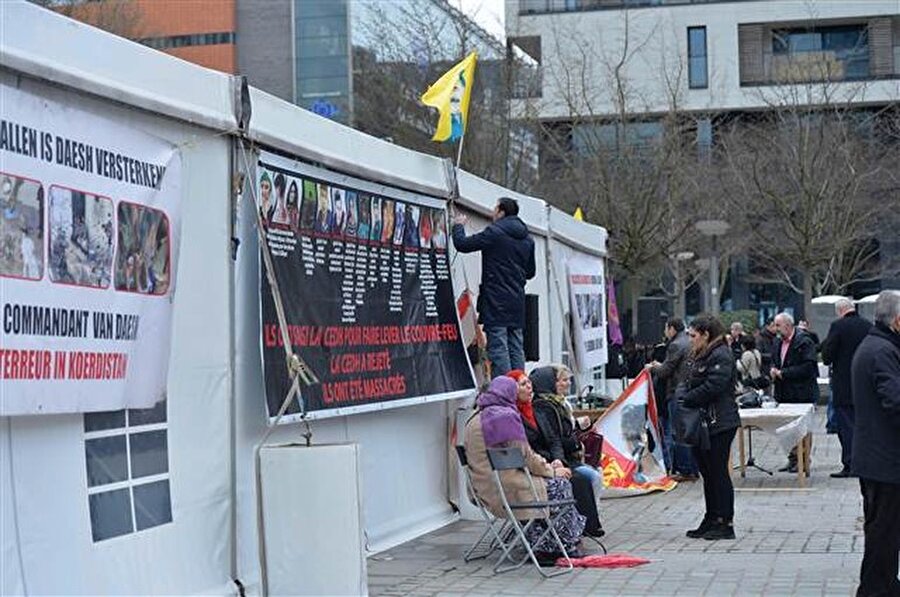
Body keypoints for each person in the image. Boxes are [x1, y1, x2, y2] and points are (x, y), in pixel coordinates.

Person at [463, 376, 586, 563]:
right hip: (506, 490)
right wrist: (551, 470)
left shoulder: (474, 418)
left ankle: (539, 541)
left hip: (481, 488)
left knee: (549, 487)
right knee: (561, 486)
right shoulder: (503, 417)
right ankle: (557, 546)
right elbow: (526, 457)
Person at [508, 369, 604, 538]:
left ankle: (582, 527)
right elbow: (526, 451)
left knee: (583, 478)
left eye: (529, 383)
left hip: (550, 461)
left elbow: (554, 440)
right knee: (579, 479)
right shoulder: (519, 414)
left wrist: (558, 459)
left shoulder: (536, 410)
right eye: (524, 384)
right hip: (532, 470)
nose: (529, 387)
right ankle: (575, 529)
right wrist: (550, 466)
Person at [850, 290, 900, 597]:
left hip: (879, 457)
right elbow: (895, 402)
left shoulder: (878, 346)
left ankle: (884, 585)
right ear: (897, 320)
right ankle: (876, 590)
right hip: (886, 460)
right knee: (883, 532)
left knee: (884, 532)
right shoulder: (882, 351)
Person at [452, 197, 536, 377]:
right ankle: (519, 389)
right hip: (517, 302)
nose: (492, 213)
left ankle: (504, 392)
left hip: (495, 301)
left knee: (498, 349)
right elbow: (530, 272)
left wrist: (458, 226)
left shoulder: (495, 233)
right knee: (516, 347)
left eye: (494, 208)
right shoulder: (528, 239)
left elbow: (463, 244)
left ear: (501, 211)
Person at [680, 314, 740, 540]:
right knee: (708, 472)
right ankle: (712, 517)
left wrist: (688, 398)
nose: (691, 340)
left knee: (718, 472)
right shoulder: (700, 354)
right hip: (703, 422)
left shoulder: (721, 354)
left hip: (719, 421)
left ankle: (726, 521)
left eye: (694, 336)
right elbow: (688, 380)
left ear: (706, 335)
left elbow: (714, 385)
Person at [821, 297, 872, 479]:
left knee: (846, 426)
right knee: (863, 426)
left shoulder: (838, 326)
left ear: (839, 311)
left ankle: (850, 464)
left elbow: (827, 356)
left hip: (844, 384)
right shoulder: (868, 325)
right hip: (865, 385)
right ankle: (865, 462)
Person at [649, 318, 698, 481]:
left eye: (666, 329)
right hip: (689, 391)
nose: (665, 332)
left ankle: (684, 470)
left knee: (678, 433)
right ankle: (693, 468)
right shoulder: (689, 341)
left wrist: (654, 366)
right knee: (688, 430)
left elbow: (665, 371)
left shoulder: (676, 344)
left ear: (671, 329)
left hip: (677, 392)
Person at [771, 312, 820, 473]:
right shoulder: (777, 342)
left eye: (778, 325)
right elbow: (775, 360)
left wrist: (784, 373)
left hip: (802, 393)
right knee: (788, 429)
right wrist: (773, 370)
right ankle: (793, 458)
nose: (775, 328)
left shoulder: (804, 341)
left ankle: (804, 461)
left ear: (788, 325)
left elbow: (808, 368)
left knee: (803, 429)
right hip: (784, 393)